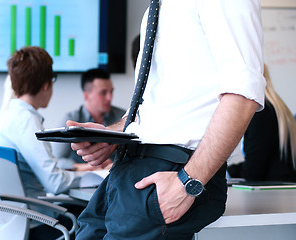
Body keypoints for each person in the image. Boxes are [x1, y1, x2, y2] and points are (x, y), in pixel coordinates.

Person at [69, 1, 266, 239]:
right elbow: (156, 108)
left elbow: (242, 95)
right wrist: (110, 135)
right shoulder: (159, 7)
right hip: (129, 168)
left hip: (174, 169)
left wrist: (188, 182)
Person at [0, 46, 93, 199]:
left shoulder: (5, 117)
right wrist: (92, 176)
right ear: (46, 84)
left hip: (12, 217)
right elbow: (55, 183)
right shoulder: (26, 121)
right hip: (36, 218)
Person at [228, 65, 296, 181]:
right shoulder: (277, 107)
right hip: (281, 188)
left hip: (271, 193)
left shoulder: (261, 112)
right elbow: (263, 158)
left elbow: (254, 170)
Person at [52, 68, 125, 165]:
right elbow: (56, 160)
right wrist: (83, 167)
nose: (109, 98)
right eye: (103, 93)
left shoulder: (123, 117)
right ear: (86, 95)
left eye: (111, 92)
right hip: (82, 177)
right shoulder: (71, 119)